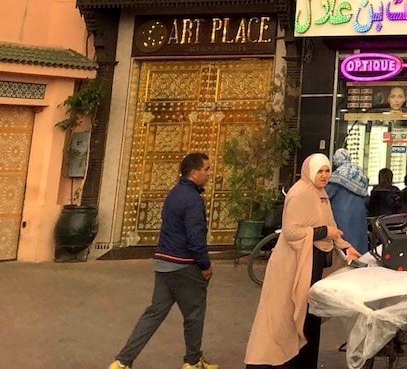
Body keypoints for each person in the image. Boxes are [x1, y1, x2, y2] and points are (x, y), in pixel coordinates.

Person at [245, 153, 361, 369]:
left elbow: (331, 226)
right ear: (309, 172)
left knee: (309, 315)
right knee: (287, 316)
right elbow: (291, 232)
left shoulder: (321, 193)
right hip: (293, 265)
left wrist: (345, 247)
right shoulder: (300, 193)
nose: (325, 175)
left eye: (327, 171)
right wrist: (326, 231)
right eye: (320, 171)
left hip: (311, 263)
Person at [109, 152, 217, 369]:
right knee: (194, 314)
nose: (210, 173)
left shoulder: (174, 194)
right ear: (194, 172)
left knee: (154, 314)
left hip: (163, 263)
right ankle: (193, 361)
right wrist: (205, 265)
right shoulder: (193, 200)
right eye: (206, 169)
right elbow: (195, 237)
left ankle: (122, 361)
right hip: (184, 265)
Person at [326, 147, 370, 253]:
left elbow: (326, 194)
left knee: (346, 243)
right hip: (359, 211)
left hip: (342, 213)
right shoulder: (359, 170)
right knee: (359, 240)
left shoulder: (338, 173)